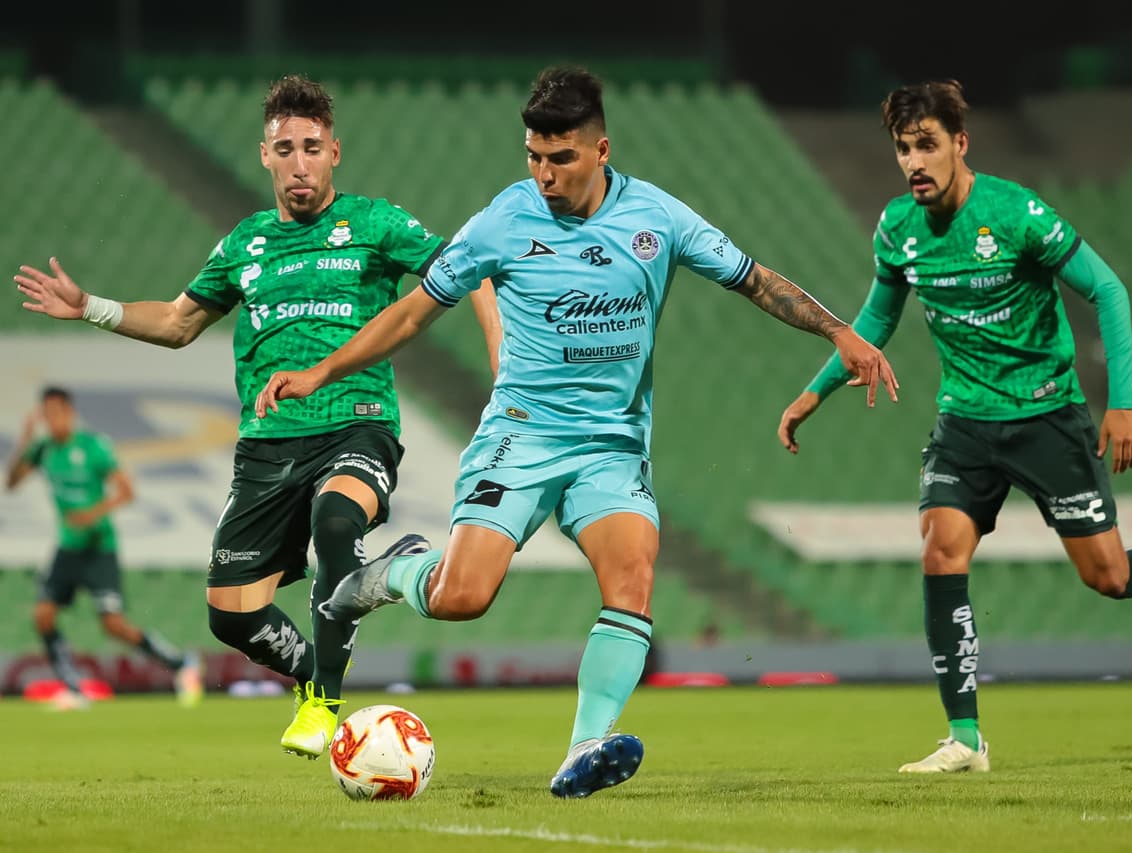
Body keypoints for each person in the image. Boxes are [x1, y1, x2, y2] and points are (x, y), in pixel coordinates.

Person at [252, 65, 898, 797]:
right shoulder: (504, 219)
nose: (545, 174)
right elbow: (413, 312)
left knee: (634, 577)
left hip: (611, 446)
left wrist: (837, 330)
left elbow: (754, 278)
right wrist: (321, 371)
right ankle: (393, 572)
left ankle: (583, 746)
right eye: (534, 156)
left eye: (560, 158)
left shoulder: (657, 217)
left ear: (600, 150)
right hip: (520, 436)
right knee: (464, 596)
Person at [776, 79, 1132, 774]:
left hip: (1046, 418)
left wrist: (1123, 402)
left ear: (960, 143)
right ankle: (965, 738)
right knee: (941, 550)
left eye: (927, 145)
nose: (914, 162)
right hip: (965, 423)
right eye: (903, 149)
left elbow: (1108, 290)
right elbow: (877, 319)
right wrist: (813, 392)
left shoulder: (1016, 214)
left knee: (1107, 574)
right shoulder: (898, 227)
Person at [13, 74, 500, 754]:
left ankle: (325, 702)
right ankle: (330, 647)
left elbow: (471, 268)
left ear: (334, 153)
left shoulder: (374, 223)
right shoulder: (245, 243)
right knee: (229, 613)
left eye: (312, 148)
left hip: (355, 422)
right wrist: (92, 306)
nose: (300, 163)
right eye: (286, 149)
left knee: (337, 520)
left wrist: (503, 365)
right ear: (265, 155)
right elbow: (178, 322)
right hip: (268, 445)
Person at [5, 387, 203, 710]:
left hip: (99, 547)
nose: (52, 419)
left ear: (69, 413)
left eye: (57, 412)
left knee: (113, 626)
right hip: (68, 547)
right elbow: (11, 483)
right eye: (47, 414)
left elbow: (127, 491)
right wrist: (24, 442)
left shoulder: (92, 447)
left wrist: (92, 514)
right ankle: (74, 687)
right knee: (43, 615)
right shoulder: (42, 450)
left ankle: (181, 664)